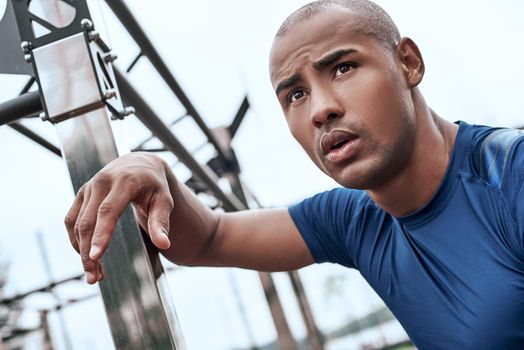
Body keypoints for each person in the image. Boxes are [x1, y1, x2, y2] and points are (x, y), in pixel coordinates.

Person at [65, 0, 524, 348]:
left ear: (408, 62)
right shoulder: (355, 220)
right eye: (296, 95)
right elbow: (209, 238)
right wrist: (152, 167)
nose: (322, 109)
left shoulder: (510, 177)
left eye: (343, 68)